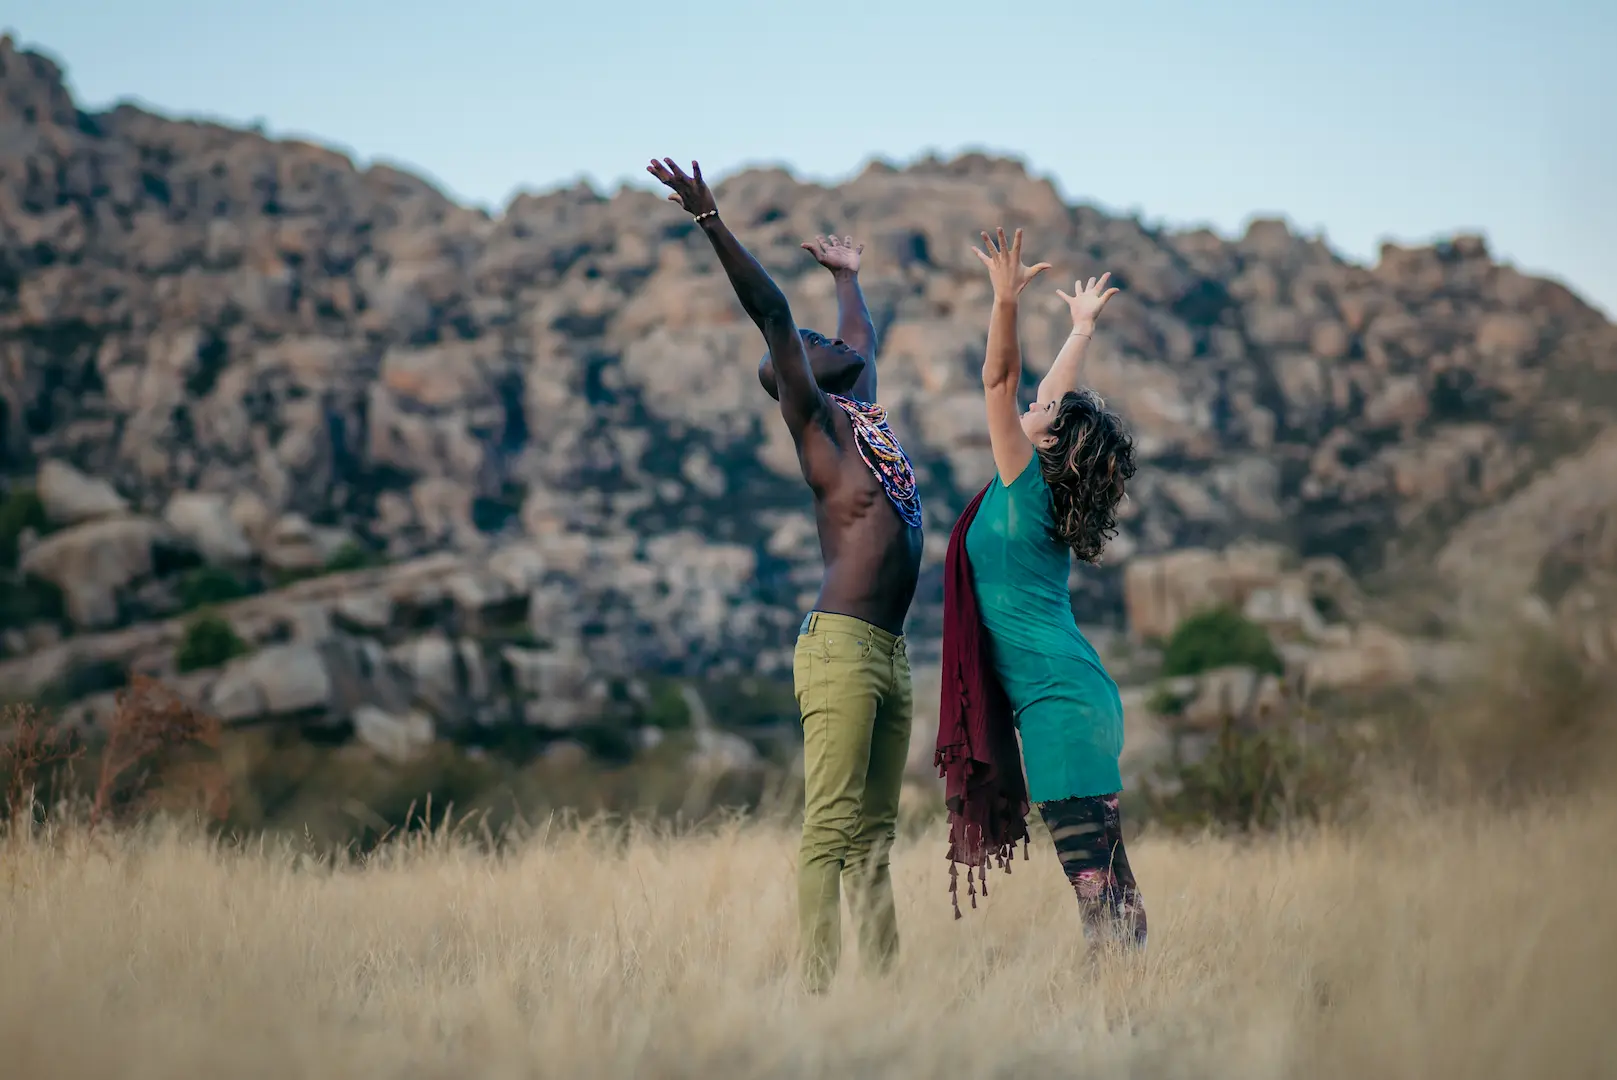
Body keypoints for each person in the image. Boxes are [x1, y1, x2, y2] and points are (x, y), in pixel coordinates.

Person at [647, 157, 924, 991]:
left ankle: (884, 1000)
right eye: (807, 347)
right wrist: (709, 221)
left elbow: (860, 343)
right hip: (839, 650)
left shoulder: (863, 413)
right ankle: (815, 993)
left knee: (875, 839)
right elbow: (770, 310)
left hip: (890, 655)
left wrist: (847, 278)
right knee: (830, 831)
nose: (823, 342)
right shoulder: (818, 426)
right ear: (793, 378)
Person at [936, 226, 1145, 945]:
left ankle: (1116, 1012)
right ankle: (1126, 1002)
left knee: (1098, 888)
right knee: (1104, 881)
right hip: (1076, 695)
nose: (1036, 402)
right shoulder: (1044, 490)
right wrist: (1079, 329)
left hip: (1059, 706)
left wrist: (1004, 304)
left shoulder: (1023, 482)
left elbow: (998, 382)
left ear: (1048, 443)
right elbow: (1047, 395)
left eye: (1045, 413)